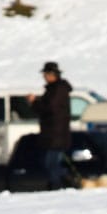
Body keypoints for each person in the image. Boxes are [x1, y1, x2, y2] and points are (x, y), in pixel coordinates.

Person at [28, 61, 72, 190]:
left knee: (51, 164)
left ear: (52, 74)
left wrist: (34, 102)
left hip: (55, 136)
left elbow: (49, 108)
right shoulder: (55, 89)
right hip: (53, 135)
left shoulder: (57, 90)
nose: (44, 77)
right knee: (50, 163)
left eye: (46, 74)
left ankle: (58, 186)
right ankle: (61, 183)